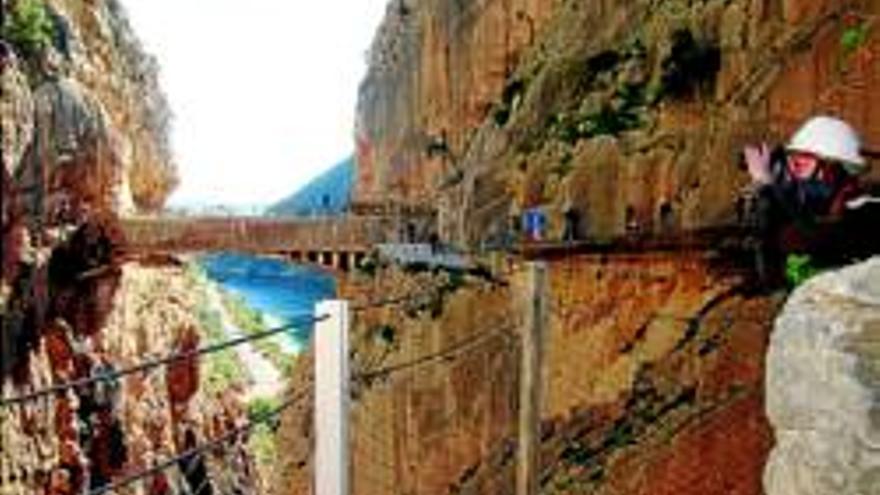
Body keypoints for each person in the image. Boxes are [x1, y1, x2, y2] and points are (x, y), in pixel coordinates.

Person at [744, 115, 873, 281]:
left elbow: (811, 236)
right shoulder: (825, 211)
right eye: (792, 160)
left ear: (832, 167)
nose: (796, 176)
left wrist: (769, 191)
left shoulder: (866, 213)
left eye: (801, 165)